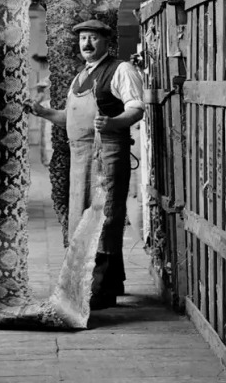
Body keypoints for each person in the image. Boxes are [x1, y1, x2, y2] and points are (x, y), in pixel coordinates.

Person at [29, 19, 144, 309]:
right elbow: (69, 118)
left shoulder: (121, 70)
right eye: (83, 39)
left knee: (105, 217)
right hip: (80, 158)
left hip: (107, 152)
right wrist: (43, 112)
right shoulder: (81, 77)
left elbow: (136, 109)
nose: (87, 44)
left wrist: (113, 122)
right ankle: (111, 282)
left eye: (93, 38)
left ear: (107, 42)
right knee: (85, 218)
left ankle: (101, 290)